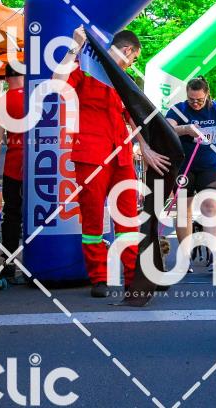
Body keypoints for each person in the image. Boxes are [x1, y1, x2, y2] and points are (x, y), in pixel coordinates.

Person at [54, 26, 171, 298]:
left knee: (128, 220)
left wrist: (145, 148)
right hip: (90, 155)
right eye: (134, 58)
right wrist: (74, 45)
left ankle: (132, 278)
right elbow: (57, 84)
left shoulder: (124, 79)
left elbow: (133, 117)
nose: (132, 63)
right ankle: (99, 278)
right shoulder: (85, 67)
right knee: (93, 220)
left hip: (121, 157)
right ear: (128, 51)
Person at [165, 76, 216, 267]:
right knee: (183, 210)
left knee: (210, 207)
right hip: (184, 167)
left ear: (207, 95)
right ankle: (185, 256)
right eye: (191, 100)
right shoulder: (178, 109)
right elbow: (167, 130)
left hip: (208, 165)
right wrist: (186, 129)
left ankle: (214, 254)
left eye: (200, 100)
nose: (195, 103)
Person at [0, 63, 25, 281]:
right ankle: (40, 260)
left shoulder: (2, 103)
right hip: (41, 165)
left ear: (7, 78)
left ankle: (9, 264)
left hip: (14, 166)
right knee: (40, 214)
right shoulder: (38, 96)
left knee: (12, 215)